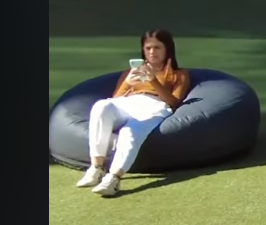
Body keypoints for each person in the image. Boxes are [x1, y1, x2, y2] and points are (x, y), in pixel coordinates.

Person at [73, 30, 194, 197]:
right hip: (128, 103)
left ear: (167, 48)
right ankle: (96, 167)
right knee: (101, 106)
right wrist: (127, 83)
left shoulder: (178, 74)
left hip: (154, 106)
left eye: (157, 47)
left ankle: (113, 178)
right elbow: (115, 98)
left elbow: (173, 102)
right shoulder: (131, 72)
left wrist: (153, 80)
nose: (152, 52)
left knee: (129, 132)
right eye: (148, 48)